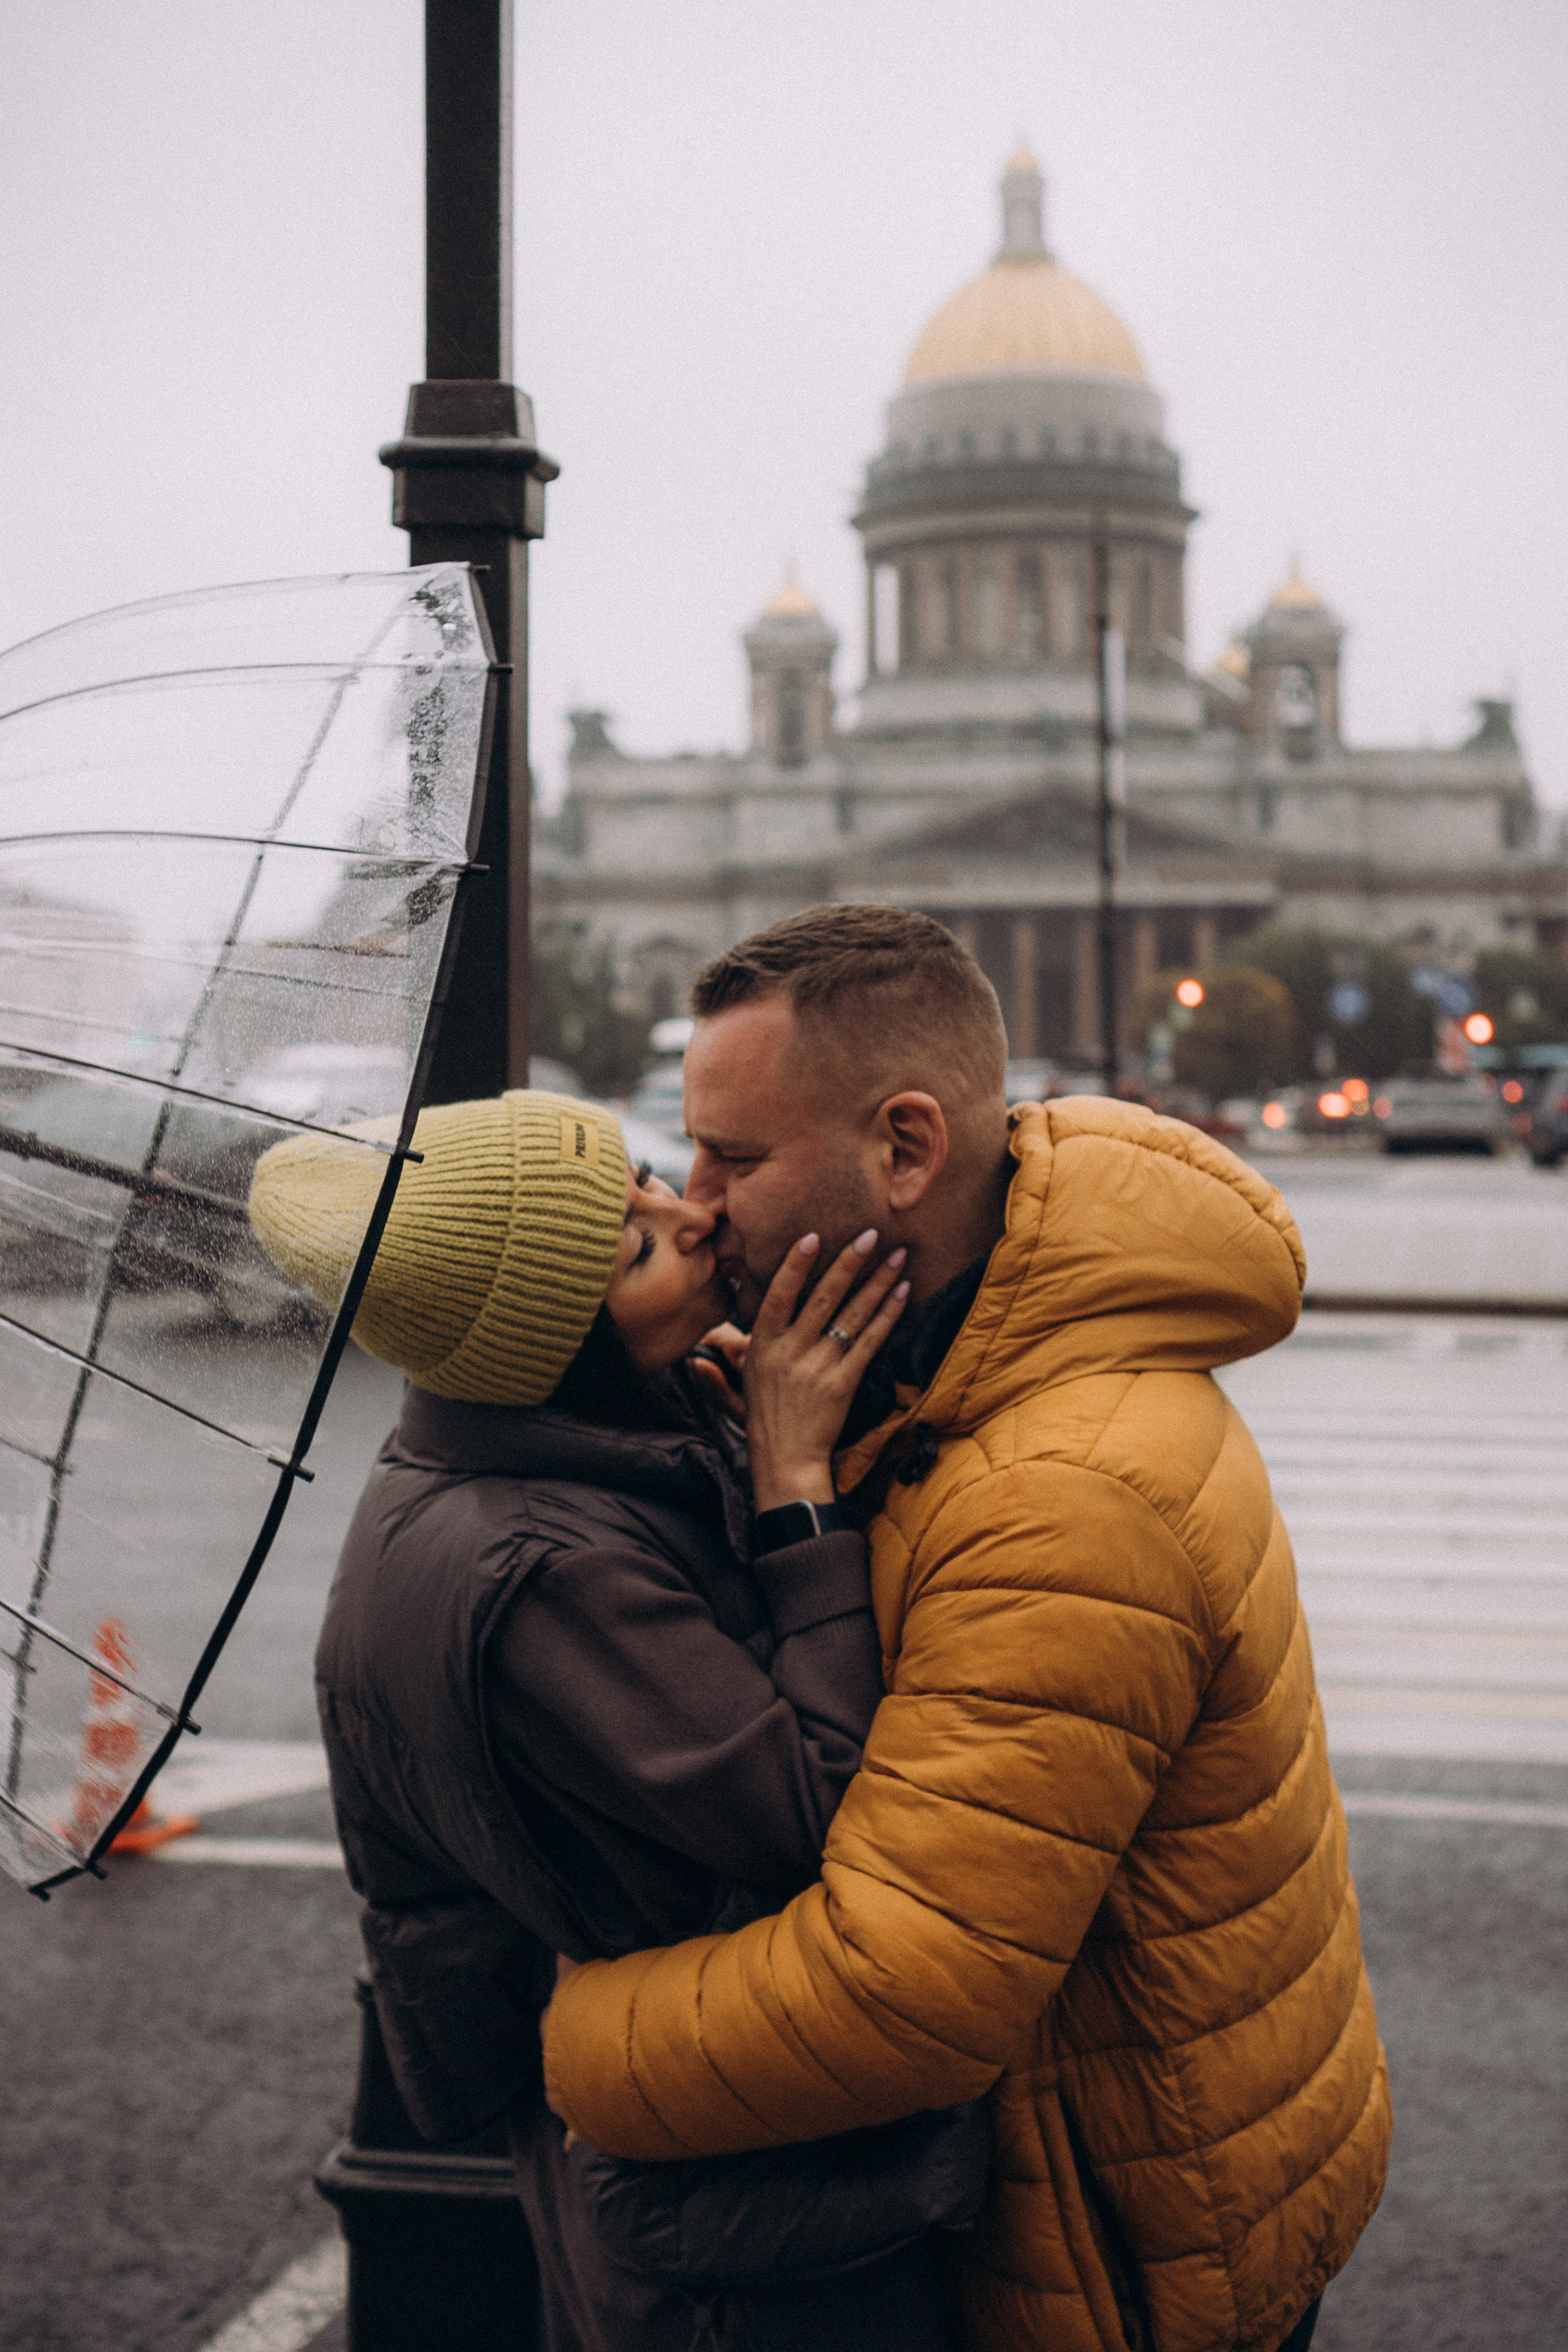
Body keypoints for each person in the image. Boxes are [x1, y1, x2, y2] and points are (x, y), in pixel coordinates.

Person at [540, 905, 1393, 2352]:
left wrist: (566, 2039)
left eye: (734, 1159)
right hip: (1124, 2157)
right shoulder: (940, 1363)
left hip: (1115, 2242)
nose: (697, 1203)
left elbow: (902, 1994)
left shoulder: (1061, 1496)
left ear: (905, 1149)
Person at [247, 1087, 989, 2352]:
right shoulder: (546, 1577)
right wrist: (794, 1490)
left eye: (641, 1180)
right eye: (638, 1251)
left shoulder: (522, 1455)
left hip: (694, 2143)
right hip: (739, 2226)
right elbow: (818, 1810)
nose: (691, 1217)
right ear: (557, 1354)